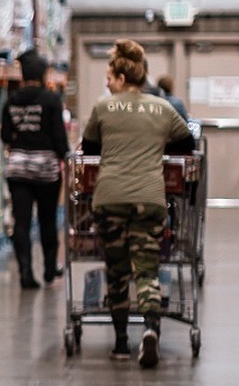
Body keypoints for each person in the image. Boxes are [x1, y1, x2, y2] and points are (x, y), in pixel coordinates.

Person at [80, 39, 195, 367]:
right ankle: (150, 330)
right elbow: (187, 142)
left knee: (116, 272)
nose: (106, 82)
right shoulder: (161, 107)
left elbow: (89, 149)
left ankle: (119, 344)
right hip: (149, 196)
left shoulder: (104, 107)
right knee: (146, 269)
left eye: (108, 76)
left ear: (119, 76)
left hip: (110, 198)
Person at [0, 50, 70, 289]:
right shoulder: (51, 99)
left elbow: (5, 135)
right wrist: (65, 158)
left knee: (22, 221)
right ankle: (50, 269)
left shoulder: (11, 100)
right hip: (46, 169)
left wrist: (20, 135)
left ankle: (26, 273)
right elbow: (59, 136)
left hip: (18, 167)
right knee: (47, 220)